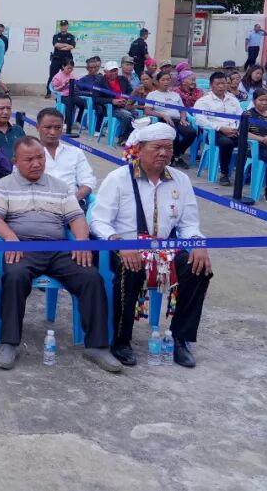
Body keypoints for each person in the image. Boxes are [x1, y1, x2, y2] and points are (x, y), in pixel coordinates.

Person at [0, 137, 121, 373]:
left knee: (91, 278)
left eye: (40, 158)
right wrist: (10, 238)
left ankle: (97, 346)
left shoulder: (60, 186)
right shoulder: (3, 185)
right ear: (15, 161)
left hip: (58, 248)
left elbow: (76, 218)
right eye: (29, 159)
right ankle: (10, 343)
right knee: (15, 277)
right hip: (24, 248)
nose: (37, 163)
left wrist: (82, 242)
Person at [91, 123, 211, 368]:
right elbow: (99, 221)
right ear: (139, 149)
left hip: (164, 250)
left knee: (198, 268)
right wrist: (119, 243)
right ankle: (121, 339)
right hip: (126, 247)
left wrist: (198, 244)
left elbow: (189, 224)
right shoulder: (119, 178)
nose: (164, 153)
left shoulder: (180, 180)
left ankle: (180, 338)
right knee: (130, 268)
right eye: (157, 147)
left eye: (168, 148)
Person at [36, 108, 95, 208]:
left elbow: (88, 182)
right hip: (40, 207)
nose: (53, 132)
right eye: (48, 127)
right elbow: (20, 183)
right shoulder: (28, 155)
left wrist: (73, 199)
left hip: (72, 205)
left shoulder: (75, 153)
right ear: (37, 127)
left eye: (58, 127)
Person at [193, 71, 243, 186]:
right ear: (211, 85)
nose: (221, 86)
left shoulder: (233, 100)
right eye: (218, 84)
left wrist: (236, 129)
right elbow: (200, 120)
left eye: (223, 83)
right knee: (227, 143)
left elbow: (240, 116)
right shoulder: (204, 101)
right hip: (214, 133)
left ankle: (244, 173)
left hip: (234, 131)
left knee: (249, 142)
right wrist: (220, 128)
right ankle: (224, 174)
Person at [145, 70, 197, 166]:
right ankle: (176, 157)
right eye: (163, 80)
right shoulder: (152, 95)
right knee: (174, 135)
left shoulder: (175, 95)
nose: (166, 82)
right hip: (162, 120)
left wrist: (183, 119)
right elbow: (147, 111)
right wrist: (163, 115)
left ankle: (176, 155)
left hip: (177, 120)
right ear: (158, 81)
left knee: (191, 133)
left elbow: (182, 110)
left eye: (168, 79)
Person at [92, 61, 135, 143]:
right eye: (111, 71)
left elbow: (130, 92)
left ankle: (132, 138)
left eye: (115, 70)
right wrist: (112, 101)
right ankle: (123, 138)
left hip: (125, 105)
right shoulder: (99, 82)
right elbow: (96, 99)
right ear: (105, 71)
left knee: (138, 116)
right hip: (110, 108)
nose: (114, 73)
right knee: (127, 116)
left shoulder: (123, 79)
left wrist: (126, 100)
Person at [47, 20, 76, 99]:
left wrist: (62, 47)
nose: (63, 27)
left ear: (67, 26)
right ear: (60, 27)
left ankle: (67, 92)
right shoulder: (56, 36)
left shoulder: (71, 36)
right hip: (56, 59)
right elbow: (56, 45)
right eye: (62, 26)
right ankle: (48, 92)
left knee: (68, 76)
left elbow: (71, 46)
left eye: (65, 25)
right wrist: (66, 45)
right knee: (52, 75)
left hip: (67, 60)